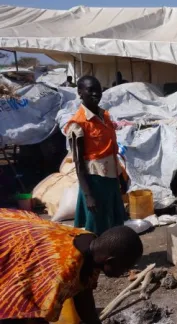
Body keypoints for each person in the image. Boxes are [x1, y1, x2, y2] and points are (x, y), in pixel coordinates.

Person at [0, 208, 143, 324]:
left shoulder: (92, 245)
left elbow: (83, 294)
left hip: (20, 235)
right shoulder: (58, 276)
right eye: (124, 267)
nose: (125, 272)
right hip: (7, 237)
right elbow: (28, 314)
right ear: (109, 261)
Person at [65, 76, 127, 236]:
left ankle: (112, 255)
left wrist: (120, 177)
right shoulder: (78, 124)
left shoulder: (104, 116)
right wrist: (88, 195)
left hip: (111, 177)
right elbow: (78, 163)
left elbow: (111, 150)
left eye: (98, 90)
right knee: (96, 227)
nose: (96, 94)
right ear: (80, 92)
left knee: (114, 222)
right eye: (90, 90)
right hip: (95, 181)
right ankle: (96, 259)